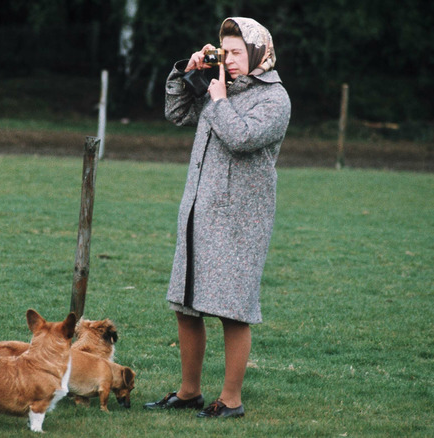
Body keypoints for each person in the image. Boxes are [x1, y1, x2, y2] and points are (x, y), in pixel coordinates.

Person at [143, 17, 291, 418]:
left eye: (239, 53)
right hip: (198, 210)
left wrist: (220, 98)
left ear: (260, 52)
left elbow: (241, 138)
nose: (231, 60)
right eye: (226, 52)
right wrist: (187, 73)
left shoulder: (274, 99)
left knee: (232, 309)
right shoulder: (217, 86)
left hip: (241, 220)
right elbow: (176, 113)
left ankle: (231, 401)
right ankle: (189, 391)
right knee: (187, 305)